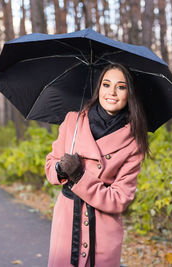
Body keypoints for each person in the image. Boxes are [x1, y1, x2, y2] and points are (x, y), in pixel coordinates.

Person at [45, 63, 149, 267]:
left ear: (130, 93)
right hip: (67, 223)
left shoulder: (134, 141)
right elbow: (50, 167)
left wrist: (80, 177)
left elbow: (120, 199)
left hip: (103, 229)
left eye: (121, 86)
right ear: (98, 88)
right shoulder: (72, 121)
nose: (112, 92)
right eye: (106, 84)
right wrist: (61, 168)